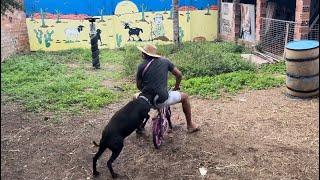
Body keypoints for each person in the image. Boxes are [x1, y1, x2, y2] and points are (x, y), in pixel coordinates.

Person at [135, 44, 199, 133]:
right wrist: (176, 86)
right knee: (185, 97)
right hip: (162, 98)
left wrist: (147, 92)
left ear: (143, 54)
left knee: (134, 97)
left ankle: (139, 125)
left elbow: (138, 86)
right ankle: (190, 125)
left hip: (147, 100)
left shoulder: (141, 66)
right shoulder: (165, 61)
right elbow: (179, 74)